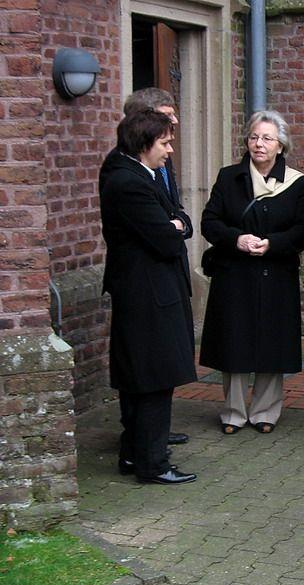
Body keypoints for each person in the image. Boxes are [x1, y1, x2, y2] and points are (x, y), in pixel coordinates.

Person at [199, 111, 304, 435]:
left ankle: (265, 411)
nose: (259, 144)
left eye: (267, 138)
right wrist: (237, 239)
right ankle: (233, 412)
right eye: (254, 137)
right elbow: (210, 222)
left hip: (276, 274)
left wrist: (272, 244)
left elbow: (303, 230)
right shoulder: (228, 178)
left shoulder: (296, 183)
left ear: (281, 145)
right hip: (234, 274)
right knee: (234, 342)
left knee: (271, 343)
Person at [99, 108, 197, 485]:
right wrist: (173, 227)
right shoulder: (129, 183)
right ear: (144, 144)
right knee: (153, 376)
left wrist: (175, 225)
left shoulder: (139, 174)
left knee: (144, 375)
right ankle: (153, 463)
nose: (170, 150)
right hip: (147, 294)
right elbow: (167, 239)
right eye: (165, 143)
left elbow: (181, 222)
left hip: (148, 290)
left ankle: (133, 453)